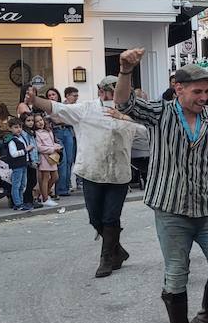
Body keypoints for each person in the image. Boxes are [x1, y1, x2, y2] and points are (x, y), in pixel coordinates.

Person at [114, 55, 208, 323]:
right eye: (197, 92)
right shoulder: (161, 113)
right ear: (178, 89)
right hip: (171, 208)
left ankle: (202, 321)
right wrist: (125, 70)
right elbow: (125, 105)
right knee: (176, 273)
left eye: (207, 92)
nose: (204, 98)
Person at [27, 77, 141, 277]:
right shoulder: (86, 109)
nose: (109, 95)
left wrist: (126, 119)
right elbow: (58, 108)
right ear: (100, 91)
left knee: (111, 217)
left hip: (119, 174)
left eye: (115, 91)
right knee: (95, 217)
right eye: (107, 91)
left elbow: (146, 132)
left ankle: (106, 258)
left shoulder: (131, 112)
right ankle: (117, 250)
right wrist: (36, 101)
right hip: (91, 171)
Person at [48, 88, 77, 197]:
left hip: (68, 131)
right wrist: (67, 119)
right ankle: (60, 189)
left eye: (53, 94)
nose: (52, 97)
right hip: (58, 132)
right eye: (49, 95)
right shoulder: (49, 108)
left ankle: (66, 187)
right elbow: (55, 120)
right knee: (62, 161)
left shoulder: (61, 106)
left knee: (69, 160)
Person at [3, 116, 35, 211]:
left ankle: (21, 202)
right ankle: (17, 203)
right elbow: (13, 154)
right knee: (16, 185)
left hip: (23, 164)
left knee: (22, 185)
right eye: (16, 127)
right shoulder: (12, 141)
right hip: (17, 165)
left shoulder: (21, 138)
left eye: (20, 127)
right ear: (10, 128)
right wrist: (25, 150)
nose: (19, 129)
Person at [33, 115, 61, 207]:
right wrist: (52, 149)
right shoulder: (37, 133)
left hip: (52, 157)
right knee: (45, 177)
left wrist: (57, 147)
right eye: (37, 121)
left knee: (55, 176)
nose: (40, 122)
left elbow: (52, 143)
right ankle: (45, 198)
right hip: (44, 158)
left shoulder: (49, 131)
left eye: (41, 120)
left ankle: (43, 193)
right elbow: (39, 147)